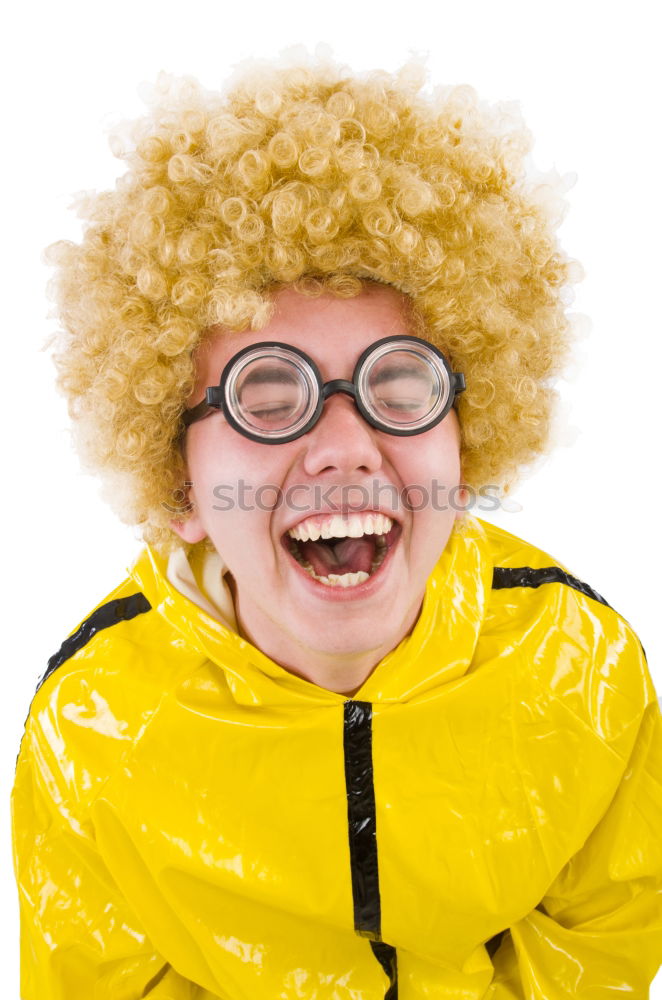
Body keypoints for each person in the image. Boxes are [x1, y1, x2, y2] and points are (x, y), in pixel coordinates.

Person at [11, 56, 662, 999]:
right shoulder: (94, 723)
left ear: (467, 444)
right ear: (179, 483)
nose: (346, 447)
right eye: (266, 397)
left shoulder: (582, 665)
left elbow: (603, 945)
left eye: (401, 385)